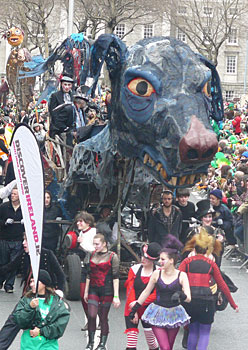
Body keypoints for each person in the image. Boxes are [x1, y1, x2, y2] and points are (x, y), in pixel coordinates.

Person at [0, 233, 65, 350]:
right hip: (28, 296)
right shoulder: (24, 255)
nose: (23, 243)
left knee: (43, 326)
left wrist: (60, 291)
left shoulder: (47, 254)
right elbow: (9, 267)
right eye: (23, 240)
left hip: (45, 296)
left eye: (26, 240)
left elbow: (60, 275)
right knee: (13, 321)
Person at [179, 228, 239, 350]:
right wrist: (233, 304)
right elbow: (223, 285)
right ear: (207, 249)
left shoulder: (186, 262)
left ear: (194, 248)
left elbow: (177, 279)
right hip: (207, 302)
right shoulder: (211, 264)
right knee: (204, 333)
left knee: (193, 331)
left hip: (190, 301)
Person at [129, 236, 191, 350]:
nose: (159, 262)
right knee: (165, 347)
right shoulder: (157, 274)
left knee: (169, 348)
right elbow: (146, 292)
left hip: (174, 314)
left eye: (162, 259)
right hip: (157, 313)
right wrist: (134, 309)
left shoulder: (181, 275)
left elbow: (188, 298)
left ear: (171, 260)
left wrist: (180, 295)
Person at [13, 270, 70, 350]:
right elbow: (19, 321)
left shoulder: (57, 302)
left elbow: (60, 327)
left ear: (44, 283)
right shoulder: (26, 300)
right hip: (29, 346)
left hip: (49, 346)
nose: (31, 284)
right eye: (31, 281)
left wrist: (41, 331)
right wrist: (29, 307)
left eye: (35, 281)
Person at [84, 233, 120, 350]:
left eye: (97, 244)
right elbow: (88, 275)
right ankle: (90, 342)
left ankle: (102, 344)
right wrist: (85, 292)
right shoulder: (92, 254)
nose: (95, 246)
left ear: (104, 244)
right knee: (92, 315)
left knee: (103, 317)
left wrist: (116, 296)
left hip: (107, 290)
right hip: (93, 289)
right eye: (94, 244)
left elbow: (116, 277)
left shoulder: (113, 256)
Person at [124, 242, 161, 350]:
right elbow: (130, 290)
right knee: (131, 344)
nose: (143, 259)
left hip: (149, 309)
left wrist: (138, 304)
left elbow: (156, 294)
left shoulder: (159, 271)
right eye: (142, 256)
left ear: (153, 260)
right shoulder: (134, 269)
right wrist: (133, 309)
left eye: (147, 258)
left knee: (151, 343)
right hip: (131, 307)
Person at [0, 186, 24, 292]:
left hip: (17, 239)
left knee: (14, 263)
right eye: (12, 194)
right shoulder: (4, 207)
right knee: (3, 262)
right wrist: (4, 222)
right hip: (5, 239)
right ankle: (0, 280)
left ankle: (9, 285)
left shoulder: (24, 209)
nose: (13, 196)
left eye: (15, 194)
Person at [76, 211, 96, 330]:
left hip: (94, 266)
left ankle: (98, 318)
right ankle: (89, 319)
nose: (78, 223)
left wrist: (82, 244)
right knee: (83, 294)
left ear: (88, 223)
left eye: (81, 221)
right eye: (78, 221)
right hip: (85, 265)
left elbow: (95, 249)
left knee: (95, 295)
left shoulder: (94, 232)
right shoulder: (81, 232)